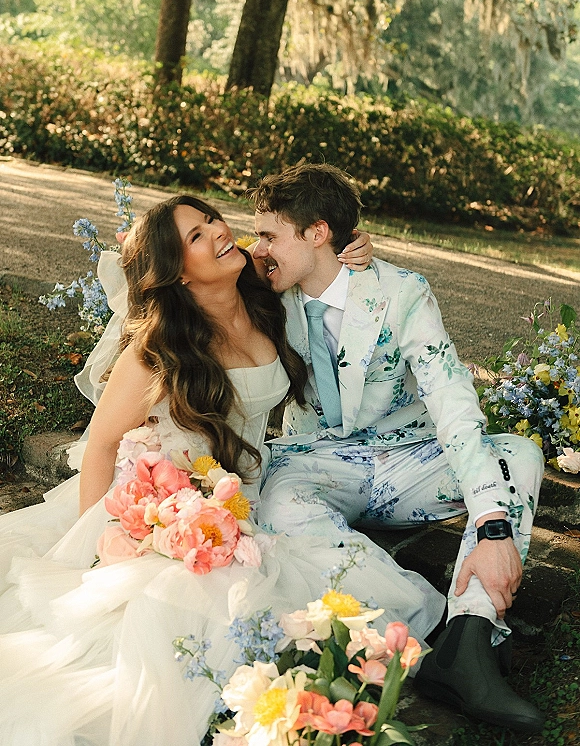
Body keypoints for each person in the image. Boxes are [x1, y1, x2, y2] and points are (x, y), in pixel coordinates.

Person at [0, 194, 442, 746]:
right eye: (195, 235)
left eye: (211, 219)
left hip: (248, 497)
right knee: (179, 622)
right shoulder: (160, 347)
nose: (218, 231)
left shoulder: (261, 294)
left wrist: (353, 247)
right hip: (167, 507)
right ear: (178, 273)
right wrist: (94, 544)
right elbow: (102, 444)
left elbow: (315, 256)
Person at [248, 162, 545, 734]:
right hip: (316, 460)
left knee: (521, 455)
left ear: (317, 233)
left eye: (269, 234)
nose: (259, 248)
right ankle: (438, 635)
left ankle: (473, 633)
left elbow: (452, 400)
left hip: (407, 460)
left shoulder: (401, 292)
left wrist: (491, 524)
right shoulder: (263, 290)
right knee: (277, 500)